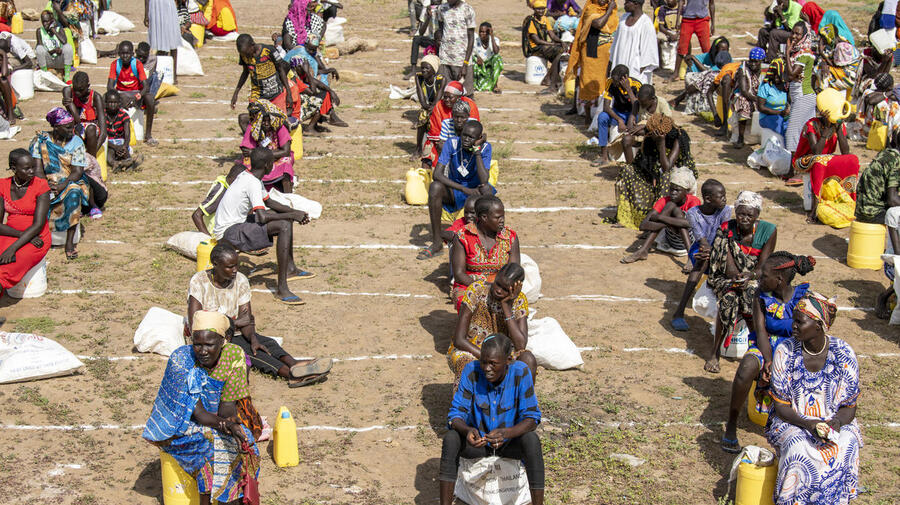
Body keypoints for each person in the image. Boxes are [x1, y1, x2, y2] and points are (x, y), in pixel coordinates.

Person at [143, 310, 260, 505]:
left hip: (214, 419)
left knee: (245, 444)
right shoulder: (182, 360)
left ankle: (234, 498)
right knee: (208, 451)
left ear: (224, 340)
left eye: (209, 345)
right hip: (179, 424)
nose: (202, 351)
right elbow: (198, 414)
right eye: (197, 344)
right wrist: (227, 426)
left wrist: (231, 426)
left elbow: (227, 408)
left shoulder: (234, 356)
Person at [187, 242, 333, 386]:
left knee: (266, 343)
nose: (235, 270)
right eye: (230, 267)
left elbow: (247, 319)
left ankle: (294, 363)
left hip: (234, 333)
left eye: (236, 265)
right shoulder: (199, 281)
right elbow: (197, 323)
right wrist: (233, 323)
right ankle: (291, 375)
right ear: (215, 264)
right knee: (251, 352)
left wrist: (252, 338)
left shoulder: (240, 280)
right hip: (211, 339)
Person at [767, 292, 861, 505]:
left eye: (800, 322)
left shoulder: (844, 353)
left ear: (819, 326)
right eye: (794, 320)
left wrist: (835, 423)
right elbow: (781, 407)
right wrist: (809, 424)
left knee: (847, 441)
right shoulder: (785, 351)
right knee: (798, 447)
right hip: (793, 420)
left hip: (833, 421)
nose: (793, 326)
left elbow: (849, 406)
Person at [721, 252, 815, 453]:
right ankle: (731, 425)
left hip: (793, 350)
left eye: (764, 276)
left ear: (779, 279)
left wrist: (782, 362)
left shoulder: (803, 298)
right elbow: (761, 330)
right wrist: (769, 361)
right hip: (766, 346)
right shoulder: (761, 296)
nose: (760, 280)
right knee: (746, 368)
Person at [439, 333, 544, 505]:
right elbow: (455, 414)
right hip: (479, 445)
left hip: (509, 444)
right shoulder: (471, 371)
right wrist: (467, 430)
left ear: (508, 361)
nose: (487, 368)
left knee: (531, 440)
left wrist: (506, 433)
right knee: (451, 438)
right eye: (483, 362)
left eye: (493, 363)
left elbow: (532, 418)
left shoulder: (521, 372)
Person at [213, 148, 314, 305]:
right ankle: (282, 288)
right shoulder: (252, 182)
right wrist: (292, 216)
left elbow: (269, 202)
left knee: (284, 218)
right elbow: (262, 216)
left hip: (236, 225)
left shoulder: (251, 176)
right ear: (268, 165)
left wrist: (295, 212)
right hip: (229, 233)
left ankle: (290, 268)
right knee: (284, 225)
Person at [705, 190, 777, 373]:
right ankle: (715, 352)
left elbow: (763, 267)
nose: (744, 218)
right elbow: (726, 266)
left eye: (749, 215)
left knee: (751, 297)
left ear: (757, 215)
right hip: (727, 277)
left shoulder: (768, 231)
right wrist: (738, 280)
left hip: (754, 276)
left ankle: (758, 347)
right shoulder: (726, 229)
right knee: (728, 299)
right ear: (736, 212)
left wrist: (749, 277)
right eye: (740, 214)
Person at [419, 120, 494, 259]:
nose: (466, 139)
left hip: (475, 191)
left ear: (479, 138)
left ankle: (486, 241)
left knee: (487, 191)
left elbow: (484, 179)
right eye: (464, 135)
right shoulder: (452, 143)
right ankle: (437, 243)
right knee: (435, 187)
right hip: (455, 189)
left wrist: (477, 151)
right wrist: (463, 189)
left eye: (471, 137)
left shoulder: (485, 148)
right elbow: (437, 174)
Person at [449, 263, 535, 381]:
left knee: (528, 359)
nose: (499, 290)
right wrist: (488, 359)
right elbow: (459, 340)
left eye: (506, 289)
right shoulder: (477, 289)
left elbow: (521, 346)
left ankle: (518, 394)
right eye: (498, 284)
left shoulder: (519, 300)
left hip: (503, 355)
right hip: (472, 350)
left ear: (516, 289)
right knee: (466, 363)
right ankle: (468, 393)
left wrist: (506, 306)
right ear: (495, 277)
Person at [615, 113, 697, 229]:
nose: (649, 135)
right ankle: (631, 217)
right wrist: (642, 129)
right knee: (627, 170)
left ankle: (659, 218)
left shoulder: (678, 138)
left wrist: (661, 144)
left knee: (665, 176)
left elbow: (667, 167)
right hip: (657, 172)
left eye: (651, 133)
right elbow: (631, 141)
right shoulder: (651, 134)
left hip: (678, 176)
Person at [670, 179, 731, 331]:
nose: (725, 199)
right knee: (702, 259)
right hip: (700, 249)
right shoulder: (693, 213)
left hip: (720, 247)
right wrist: (709, 251)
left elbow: (723, 236)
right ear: (708, 199)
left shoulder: (725, 210)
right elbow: (702, 241)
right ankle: (679, 312)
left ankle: (724, 314)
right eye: (721, 196)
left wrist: (716, 251)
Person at [29, 107, 88, 260]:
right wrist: (45, 185)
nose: (71, 130)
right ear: (56, 127)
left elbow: (77, 171)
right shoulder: (41, 141)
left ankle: (69, 243)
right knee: (36, 194)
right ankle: (40, 235)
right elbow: (37, 169)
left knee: (74, 192)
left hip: (68, 181)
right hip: (44, 181)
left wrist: (63, 184)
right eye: (67, 127)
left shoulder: (76, 142)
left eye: (72, 126)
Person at [789, 100, 859, 223]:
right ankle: (815, 208)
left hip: (825, 158)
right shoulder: (811, 124)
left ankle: (847, 201)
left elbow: (845, 152)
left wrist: (838, 129)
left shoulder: (838, 125)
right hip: (803, 159)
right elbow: (816, 152)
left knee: (851, 160)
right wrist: (825, 132)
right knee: (820, 161)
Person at [450, 195, 520, 306]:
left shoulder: (510, 237)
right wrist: (485, 288)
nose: (502, 221)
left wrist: (499, 289)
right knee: (469, 302)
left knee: (517, 301)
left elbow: (514, 272)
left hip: (500, 287)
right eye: (497, 217)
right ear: (484, 218)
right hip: (470, 285)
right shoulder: (463, 236)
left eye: (503, 216)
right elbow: (459, 274)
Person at [621, 167, 699, 263]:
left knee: (676, 212)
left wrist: (661, 218)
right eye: (671, 189)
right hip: (671, 240)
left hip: (690, 240)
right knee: (670, 205)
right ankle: (643, 250)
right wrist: (668, 222)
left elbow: (690, 223)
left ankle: (690, 256)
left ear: (686, 191)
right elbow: (643, 225)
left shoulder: (693, 201)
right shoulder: (664, 200)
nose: (673, 193)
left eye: (677, 190)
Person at [0, 149, 51, 296]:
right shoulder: (2, 185)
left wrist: (13, 248)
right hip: (13, 233)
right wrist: (21, 235)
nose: (32, 171)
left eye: (33, 167)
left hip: (37, 237)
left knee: (9, 266)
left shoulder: (41, 186)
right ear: (14, 168)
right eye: (26, 168)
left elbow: (38, 225)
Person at [563, 0, 618, 125]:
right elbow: (598, 23)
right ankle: (587, 113)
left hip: (607, 53)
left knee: (605, 82)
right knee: (589, 81)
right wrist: (609, 10)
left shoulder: (613, 12)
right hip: (592, 52)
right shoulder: (591, 9)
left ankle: (599, 112)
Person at [232, 34, 299, 120]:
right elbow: (245, 72)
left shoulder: (269, 50)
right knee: (256, 120)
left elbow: (281, 69)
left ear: (252, 45)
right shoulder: (244, 55)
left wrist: (288, 93)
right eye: (243, 54)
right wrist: (236, 93)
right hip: (257, 95)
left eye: (247, 53)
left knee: (279, 122)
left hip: (276, 94)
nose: (246, 56)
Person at [107, 41, 158, 146]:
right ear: (119, 54)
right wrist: (119, 97)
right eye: (122, 53)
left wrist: (137, 97)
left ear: (132, 54)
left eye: (127, 53)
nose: (125, 56)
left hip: (136, 93)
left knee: (150, 98)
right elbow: (110, 86)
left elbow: (145, 86)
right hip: (121, 93)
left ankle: (148, 135)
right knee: (105, 98)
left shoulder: (137, 64)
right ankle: (110, 132)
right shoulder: (115, 64)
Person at [240, 100, 295, 194]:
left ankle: (288, 196)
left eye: (268, 121)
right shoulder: (253, 127)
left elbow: (285, 151)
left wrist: (258, 154)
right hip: (262, 158)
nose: (266, 123)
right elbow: (246, 150)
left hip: (276, 157)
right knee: (245, 164)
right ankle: (249, 193)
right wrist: (260, 154)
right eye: (263, 121)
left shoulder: (279, 127)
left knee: (286, 164)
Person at [783, 21, 817, 171]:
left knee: (792, 133)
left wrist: (786, 53)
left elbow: (790, 74)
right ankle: (803, 167)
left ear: (804, 36)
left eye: (798, 34)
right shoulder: (796, 53)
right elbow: (787, 75)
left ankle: (794, 170)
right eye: (793, 33)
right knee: (805, 134)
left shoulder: (804, 53)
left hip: (804, 97)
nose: (794, 36)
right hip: (801, 97)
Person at [592, 64, 640, 167]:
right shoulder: (610, 83)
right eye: (613, 80)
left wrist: (628, 89)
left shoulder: (636, 85)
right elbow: (606, 107)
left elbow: (637, 106)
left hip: (633, 113)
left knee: (638, 123)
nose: (614, 83)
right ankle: (604, 156)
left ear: (625, 78)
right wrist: (619, 120)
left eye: (616, 81)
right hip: (618, 113)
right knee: (602, 117)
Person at [670, 35, 730, 115]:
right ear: (715, 49)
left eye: (726, 50)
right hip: (709, 87)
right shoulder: (708, 56)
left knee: (700, 79)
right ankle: (680, 99)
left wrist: (693, 58)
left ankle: (679, 99)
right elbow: (693, 64)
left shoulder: (726, 60)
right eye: (722, 50)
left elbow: (708, 73)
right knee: (695, 77)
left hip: (718, 93)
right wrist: (690, 59)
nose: (724, 52)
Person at [426, 81, 479, 167]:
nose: (446, 100)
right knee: (429, 152)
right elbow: (436, 132)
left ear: (459, 98)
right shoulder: (439, 106)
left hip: (467, 141)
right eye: (445, 97)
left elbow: (474, 130)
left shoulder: (470, 106)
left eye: (450, 97)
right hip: (444, 140)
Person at [721, 48, 764, 146]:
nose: (753, 64)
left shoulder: (764, 69)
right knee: (744, 104)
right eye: (751, 61)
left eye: (756, 62)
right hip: (742, 96)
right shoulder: (743, 70)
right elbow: (744, 91)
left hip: (758, 95)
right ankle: (740, 138)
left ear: (761, 61)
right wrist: (759, 100)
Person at [609, 0, 659, 84]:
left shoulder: (646, 23)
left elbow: (649, 50)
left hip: (635, 68)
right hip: (619, 61)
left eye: (627, 2)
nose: (624, 4)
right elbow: (616, 42)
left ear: (636, 4)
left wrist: (640, 70)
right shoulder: (623, 18)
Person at [621, 84, 673, 164]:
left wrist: (645, 125)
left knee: (655, 134)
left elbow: (668, 123)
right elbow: (630, 126)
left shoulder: (662, 103)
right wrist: (635, 128)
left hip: (657, 135)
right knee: (626, 139)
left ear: (652, 99)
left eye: (644, 103)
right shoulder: (637, 104)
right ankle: (631, 167)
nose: (641, 105)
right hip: (642, 134)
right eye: (640, 102)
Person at [523, 0, 566, 92]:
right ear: (534, 9)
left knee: (561, 52)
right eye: (538, 9)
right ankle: (549, 78)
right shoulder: (531, 21)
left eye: (542, 9)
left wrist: (561, 41)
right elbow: (537, 40)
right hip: (534, 48)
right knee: (559, 52)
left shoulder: (544, 19)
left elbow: (552, 35)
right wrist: (552, 44)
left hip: (543, 46)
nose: (541, 11)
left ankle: (549, 77)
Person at [435, 0, 476, 95]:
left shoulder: (467, 10)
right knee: (446, 93)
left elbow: (471, 38)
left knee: (466, 94)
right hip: (445, 59)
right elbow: (441, 29)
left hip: (462, 60)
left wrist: (465, 64)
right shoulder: (442, 9)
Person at [63, 72, 107, 159]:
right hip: (75, 126)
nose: (77, 93)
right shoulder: (68, 91)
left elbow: (103, 133)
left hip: (91, 132)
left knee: (90, 129)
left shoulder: (96, 97)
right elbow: (77, 121)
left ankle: (90, 159)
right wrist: (70, 104)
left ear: (88, 86)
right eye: (75, 89)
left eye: (81, 90)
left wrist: (91, 155)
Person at [193, 164, 245, 236]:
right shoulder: (221, 192)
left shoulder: (230, 186)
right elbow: (197, 215)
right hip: (217, 236)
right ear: (234, 179)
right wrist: (208, 238)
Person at [411, 55, 445, 162]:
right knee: (422, 117)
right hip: (426, 105)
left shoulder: (441, 80)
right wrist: (426, 107)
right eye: (422, 68)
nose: (424, 70)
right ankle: (418, 149)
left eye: (427, 68)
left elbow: (438, 98)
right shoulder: (419, 77)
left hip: (439, 105)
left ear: (434, 70)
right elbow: (420, 94)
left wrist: (432, 108)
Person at [672, 0, 714, 82]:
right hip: (687, 20)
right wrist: (678, 19)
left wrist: (713, 24)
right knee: (682, 47)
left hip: (703, 20)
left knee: (706, 48)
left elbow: (711, 4)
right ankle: (675, 73)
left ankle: (711, 70)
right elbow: (681, 2)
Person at [104, 90, 142, 172]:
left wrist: (124, 146)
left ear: (119, 103)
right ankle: (116, 164)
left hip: (121, 142)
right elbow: (103, 135)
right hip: (108, 143)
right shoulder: (103, 115)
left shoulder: (124, 115)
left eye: (115, 102)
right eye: (110, 102)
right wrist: (115, 147)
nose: (113, 105)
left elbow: (127, 135)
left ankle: (128, 162)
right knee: (109, 154)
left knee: (125, 152)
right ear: (105, 103)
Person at [144, 0, 180, 85]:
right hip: (155, 6)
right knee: (158, 39)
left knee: (172, 39)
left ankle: (173, 74)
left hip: (168, 5)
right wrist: (146, 13)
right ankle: (160, 72)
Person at [756, 58, 790, 141]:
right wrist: (779, 113)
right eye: (774, 74)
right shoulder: (766, 85)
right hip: (767, 116)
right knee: (782, 128)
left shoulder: (785, 86)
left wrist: (787, 110)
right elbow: (760, 107)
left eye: (778, 75)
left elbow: (789, 102)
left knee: (792, 128)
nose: (776, 78)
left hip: (783, 115)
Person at [36, 10, 73, 83]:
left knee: (68, 47)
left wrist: (54, 30)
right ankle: (45, 75)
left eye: (47, 21)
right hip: (48, 60)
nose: (45, 24)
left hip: (59, 59)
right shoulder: (39, 31)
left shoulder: (59, 29)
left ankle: (67, 77)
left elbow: (64, 42)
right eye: (43, 22)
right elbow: (41, 49)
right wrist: (53, 51)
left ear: (52, 21)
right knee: (39, 49)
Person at [472, 22, 502, 93]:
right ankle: (474, 84)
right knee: (472, 60)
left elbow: (496, 52)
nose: (481, 34)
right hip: (480, 65)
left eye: (484, 32)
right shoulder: (475, 40)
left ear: (488, 32)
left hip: (489, 65)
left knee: (497, 59)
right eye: (480, 31)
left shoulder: (495, 40)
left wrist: (492, 36)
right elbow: (471, 54)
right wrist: (477, 58)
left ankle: (495, 85)